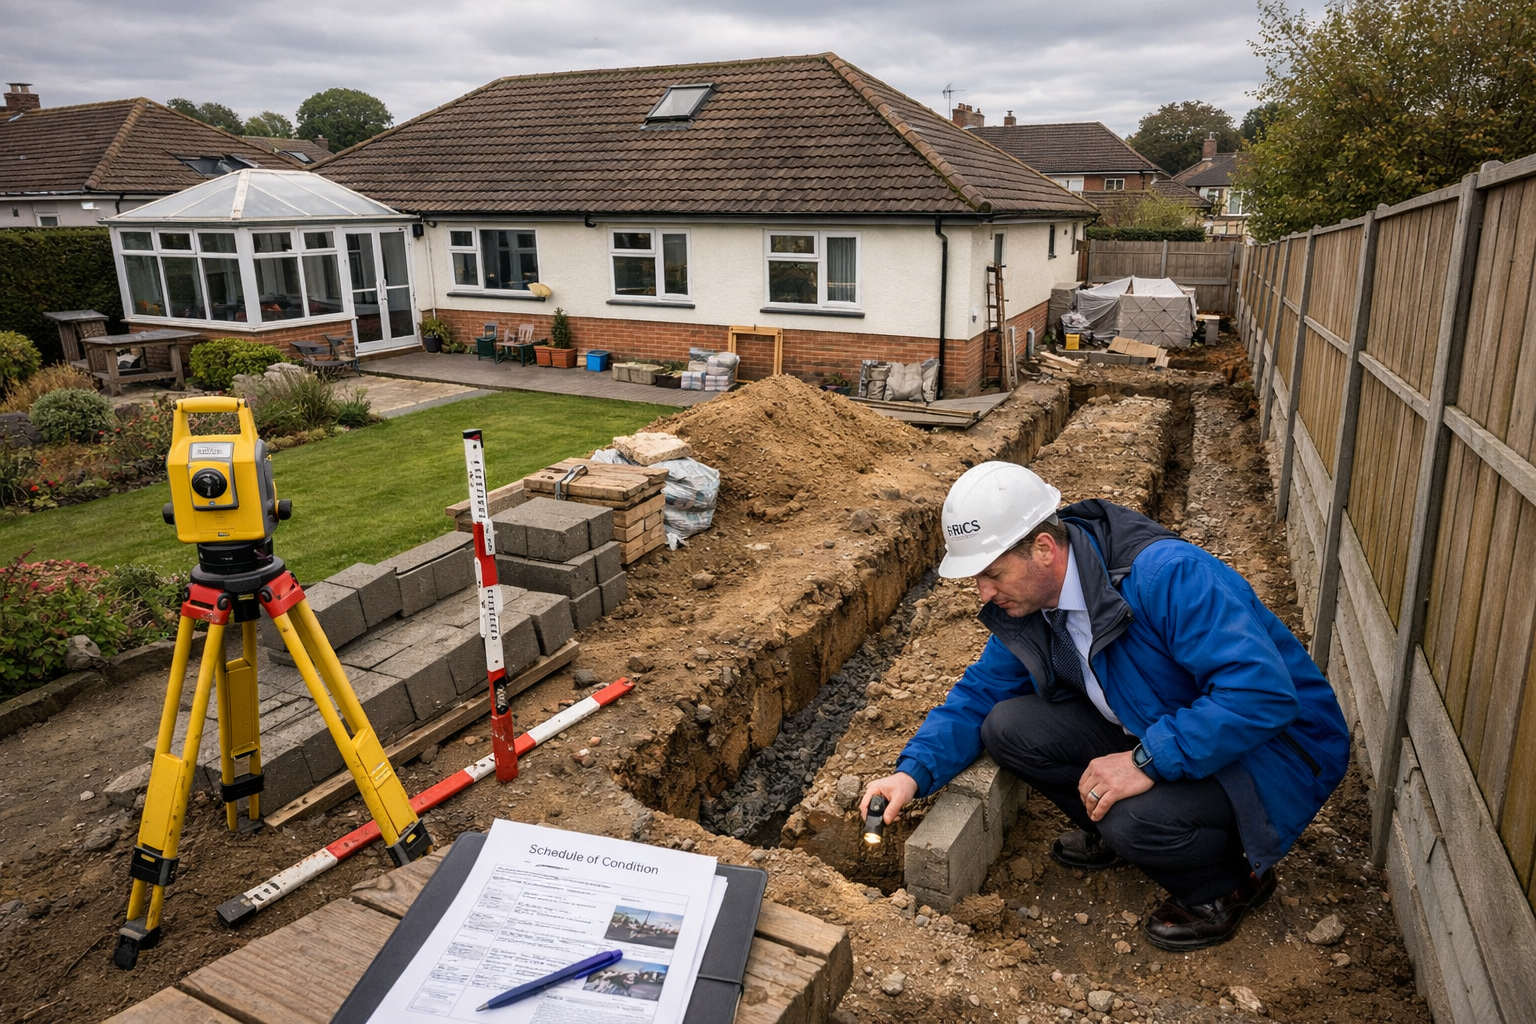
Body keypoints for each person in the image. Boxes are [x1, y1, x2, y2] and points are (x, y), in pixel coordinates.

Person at [861, 461, 1350, 950]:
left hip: (1274, 750)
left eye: (991, 574)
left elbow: (1261, 694)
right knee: (1007, 725)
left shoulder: (1166, 576)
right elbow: (980, 693)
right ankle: (1130, 835)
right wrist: (912, 773)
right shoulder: (1033, 602)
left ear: (1044, 549)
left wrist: (1145, 760)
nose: (983, 593)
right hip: (1165, 720)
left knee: (1132, 820)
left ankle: (1228, 885)